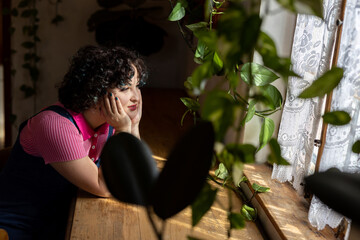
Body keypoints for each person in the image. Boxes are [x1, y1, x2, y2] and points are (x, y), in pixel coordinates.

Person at [0, 45, 148, 239]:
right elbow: (104, 187)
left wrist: (133, 125)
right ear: (96, 89)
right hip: (15, 227)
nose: (136, 96)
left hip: (56, 222)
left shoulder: (107, 123)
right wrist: (123, 130)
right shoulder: (55, 126)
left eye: (137, 86)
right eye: (124, 88)